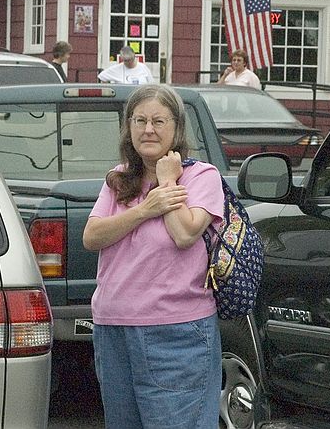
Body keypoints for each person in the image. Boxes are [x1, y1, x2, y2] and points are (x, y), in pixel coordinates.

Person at [82, 85, 224, 429]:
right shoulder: (118, 180)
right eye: (140, 120)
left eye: (159, 121)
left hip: (176, 333)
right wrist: (146, 209)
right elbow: (92, 236)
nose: (148, 129)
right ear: (128, 127)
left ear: (176, 127)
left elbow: (185, 234)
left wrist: (165, 180)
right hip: (113, 328)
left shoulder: (202, 176)